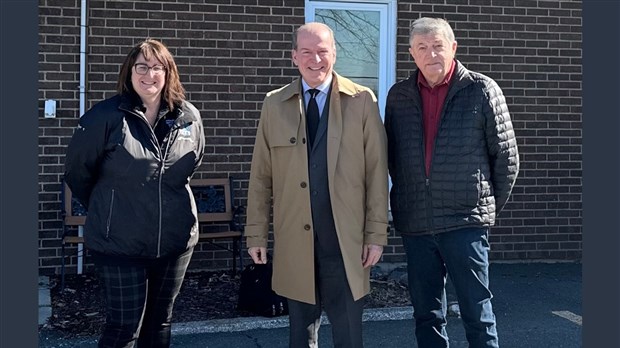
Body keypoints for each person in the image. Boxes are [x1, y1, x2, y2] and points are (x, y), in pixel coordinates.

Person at [245, 22, 389, 348]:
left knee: (349, 335)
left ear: (334, 54)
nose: (315, 60)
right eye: (307, 52)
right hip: (295, 240)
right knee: (301, 337)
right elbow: (261, 177)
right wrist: (256, 233)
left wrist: (376, 235)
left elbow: (377, 174)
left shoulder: (362, 101)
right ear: (294, 56)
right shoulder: (274, 104)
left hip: (346, 242)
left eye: (322, 51)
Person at [384, 17, 520, 348]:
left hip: (465, 224)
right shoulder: (399, 96)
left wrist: (481, 207)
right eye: (422, 47)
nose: (431, 54)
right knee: (427, 315)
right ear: (412, 54)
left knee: (477, 312)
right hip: (417, 224)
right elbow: (391, 157)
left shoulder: (481, 90)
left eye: (438, 45)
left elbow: (506, 159)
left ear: (453, 48)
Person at [64, 38, 205, 348]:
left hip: (175, 241)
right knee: (124, 327)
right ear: (129, 72)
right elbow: (78, 173)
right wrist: (111, 210)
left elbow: (190, 167)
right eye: (141, 66)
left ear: (168, 73)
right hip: (120, 244)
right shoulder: (104, 117)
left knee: (160, 323)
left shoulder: (188, 117)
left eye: (157, 67)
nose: (148, 74)